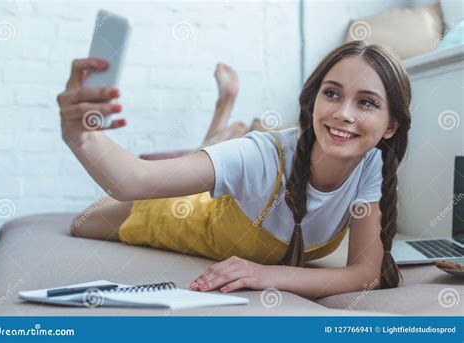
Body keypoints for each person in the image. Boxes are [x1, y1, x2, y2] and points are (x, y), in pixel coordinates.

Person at [56, 41, 411, 298]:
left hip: (230, 191)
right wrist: (79, 134)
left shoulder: (371, 166)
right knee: (83, 223)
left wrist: (266, 275)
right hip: (189, 215)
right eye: (332, 93)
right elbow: (133, 180)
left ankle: (215, 135)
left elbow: (365, 274)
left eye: (366, 102)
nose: (344, 113)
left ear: (391, 125)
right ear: (314, 99)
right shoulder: (262, 156)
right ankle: (217, 130)